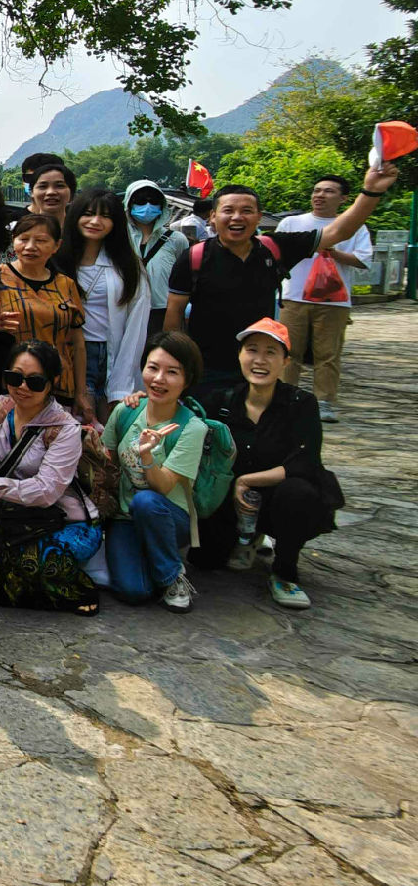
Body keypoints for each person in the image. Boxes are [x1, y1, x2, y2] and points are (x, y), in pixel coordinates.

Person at [165, 166, 395, 400]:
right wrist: (176, 363)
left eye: (246, 211)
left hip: (259, 365)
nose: (237, 217)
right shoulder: (193, 258)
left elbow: (338, 232)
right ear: (213, 217)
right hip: (206, 367)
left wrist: (371, 191)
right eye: (228, 210)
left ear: (259, 216)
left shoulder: (275, 248)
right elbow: (174, 314)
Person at [0, 337, 97, 614]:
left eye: (34, 382)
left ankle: (75, 589)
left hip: (65, 522)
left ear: (52, 383)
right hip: (17, 517)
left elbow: (46, 491)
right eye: (15, 378)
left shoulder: (64, 428)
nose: (22, 387)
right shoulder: (0, 406)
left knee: (35, 563)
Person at [195, 319, 341, 608]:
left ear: (285, 361)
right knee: (205, 561)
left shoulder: (301, 404)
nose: (259, 360)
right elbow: (180, 415)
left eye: (271, 352)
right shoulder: (221, 401)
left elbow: (305, 462)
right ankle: (245, 536)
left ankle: (284, 571)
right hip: (230, 502)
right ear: (239, 356)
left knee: (298, 492)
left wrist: (247, 480)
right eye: (252, 350)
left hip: (278, 500)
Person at [102, 331, 213, 611]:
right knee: (133, 591)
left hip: (168, 517)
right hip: (125, 517)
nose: (159, 379)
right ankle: (153, 558)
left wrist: (147, 455)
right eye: (153, 368)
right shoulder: (126, 411)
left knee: (146, 502)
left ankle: (172, 575)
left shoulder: (192, 428)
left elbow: (162, 487)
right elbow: (106, 461)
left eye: (172, 372)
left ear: (187, 379)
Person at [275, 173, 375, 421]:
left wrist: (332, 252)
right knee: (288, 352)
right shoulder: (291, 223)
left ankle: (324, 402)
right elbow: (276, 253)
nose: (320, 195)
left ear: (343, 198)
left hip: (334, 301)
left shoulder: (353, 226)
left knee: (328, 354)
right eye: (317, 190)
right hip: (294, 297)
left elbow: (363, 260)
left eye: (329, 191)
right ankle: (285, 399)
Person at [0, 213, 87, 409]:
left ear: (56, 245)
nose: (30, 246)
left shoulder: (66, 285)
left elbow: (78, 343)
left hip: (56, 385)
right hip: (6, 385)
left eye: (41, 240)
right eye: (23, 239)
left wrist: (81, 393)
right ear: (14, 241)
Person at [57, 188, 150, 421]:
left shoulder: (129, 265)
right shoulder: (57, 261)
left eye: (105, 216)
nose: (95, 221)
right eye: (88, 214)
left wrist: (123, 381)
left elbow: (137, 322)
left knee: (112, 422)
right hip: (74, 352)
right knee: (80, 423)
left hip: (113, 352)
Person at [124, 180, 189, 338]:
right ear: (129, 204)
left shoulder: (176, 239)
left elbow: (184, 277)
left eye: (153, 201)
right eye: (140, 201)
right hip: (127, 309)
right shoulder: (119, 239)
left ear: (162, 206)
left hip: (164, 311)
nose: (147, 205)